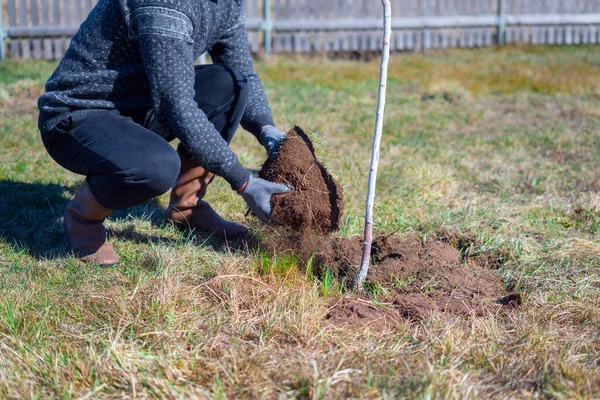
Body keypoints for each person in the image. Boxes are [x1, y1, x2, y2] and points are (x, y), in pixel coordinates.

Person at [38, 0, 292, 266]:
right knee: (157, 167)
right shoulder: (166, 4)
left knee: (231, 82)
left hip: (141, 104)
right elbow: (175, 105)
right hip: (80, 114)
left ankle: (187, 207)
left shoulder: (226, 3)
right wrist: (244, 182)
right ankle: (83, 218)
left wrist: (267, 129)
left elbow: (244, 73)